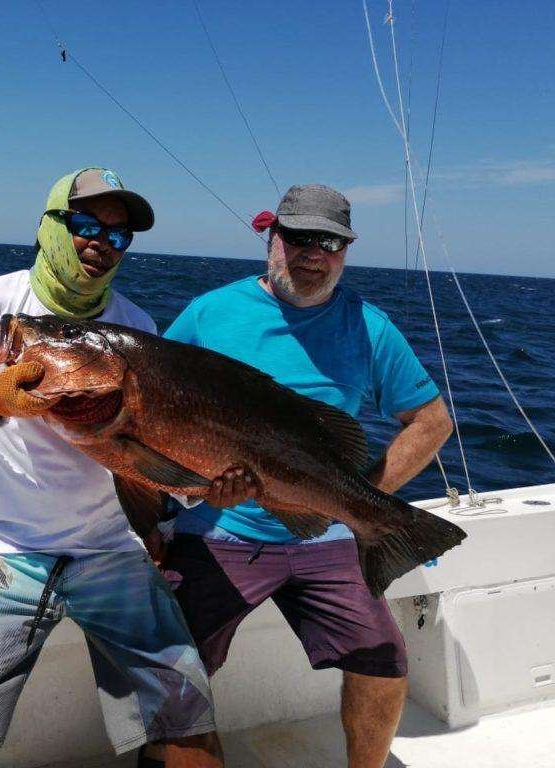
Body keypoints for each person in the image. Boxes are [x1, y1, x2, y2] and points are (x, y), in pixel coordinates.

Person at [0, 168, 224, 768]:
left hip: (112, 550)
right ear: (51, 226)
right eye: (85, 224)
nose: (100, 241)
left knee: (190, 723)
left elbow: (147, 451)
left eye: (118, 234)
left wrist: (197, 493)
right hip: (7, 549)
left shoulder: (135, 328)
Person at [159, 184, 454, 768]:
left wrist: (363, 501)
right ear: (272, 237)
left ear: (346, 250)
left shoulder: (370, 326)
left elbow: (432, 420)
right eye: (298, 238)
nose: (313, 254)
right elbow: (158, 410)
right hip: (219, 530)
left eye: (331, 242)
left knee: (382, 657)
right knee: (174, 668)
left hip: (326, 535)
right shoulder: (209, 313)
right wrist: (191, 486)